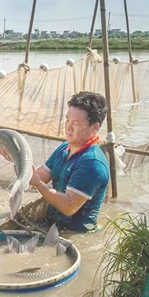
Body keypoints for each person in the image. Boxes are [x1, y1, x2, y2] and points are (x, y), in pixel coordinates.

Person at [29, 91, 110, 232]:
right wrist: (16, 157)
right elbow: (39, 175)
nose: (68, 128)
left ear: (95, 127)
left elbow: (69, 206)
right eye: (67, 120)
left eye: (76, 123)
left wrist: (38, 185)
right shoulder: (64, 147)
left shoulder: (92, 164)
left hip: (76, 233)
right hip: (53, 224)